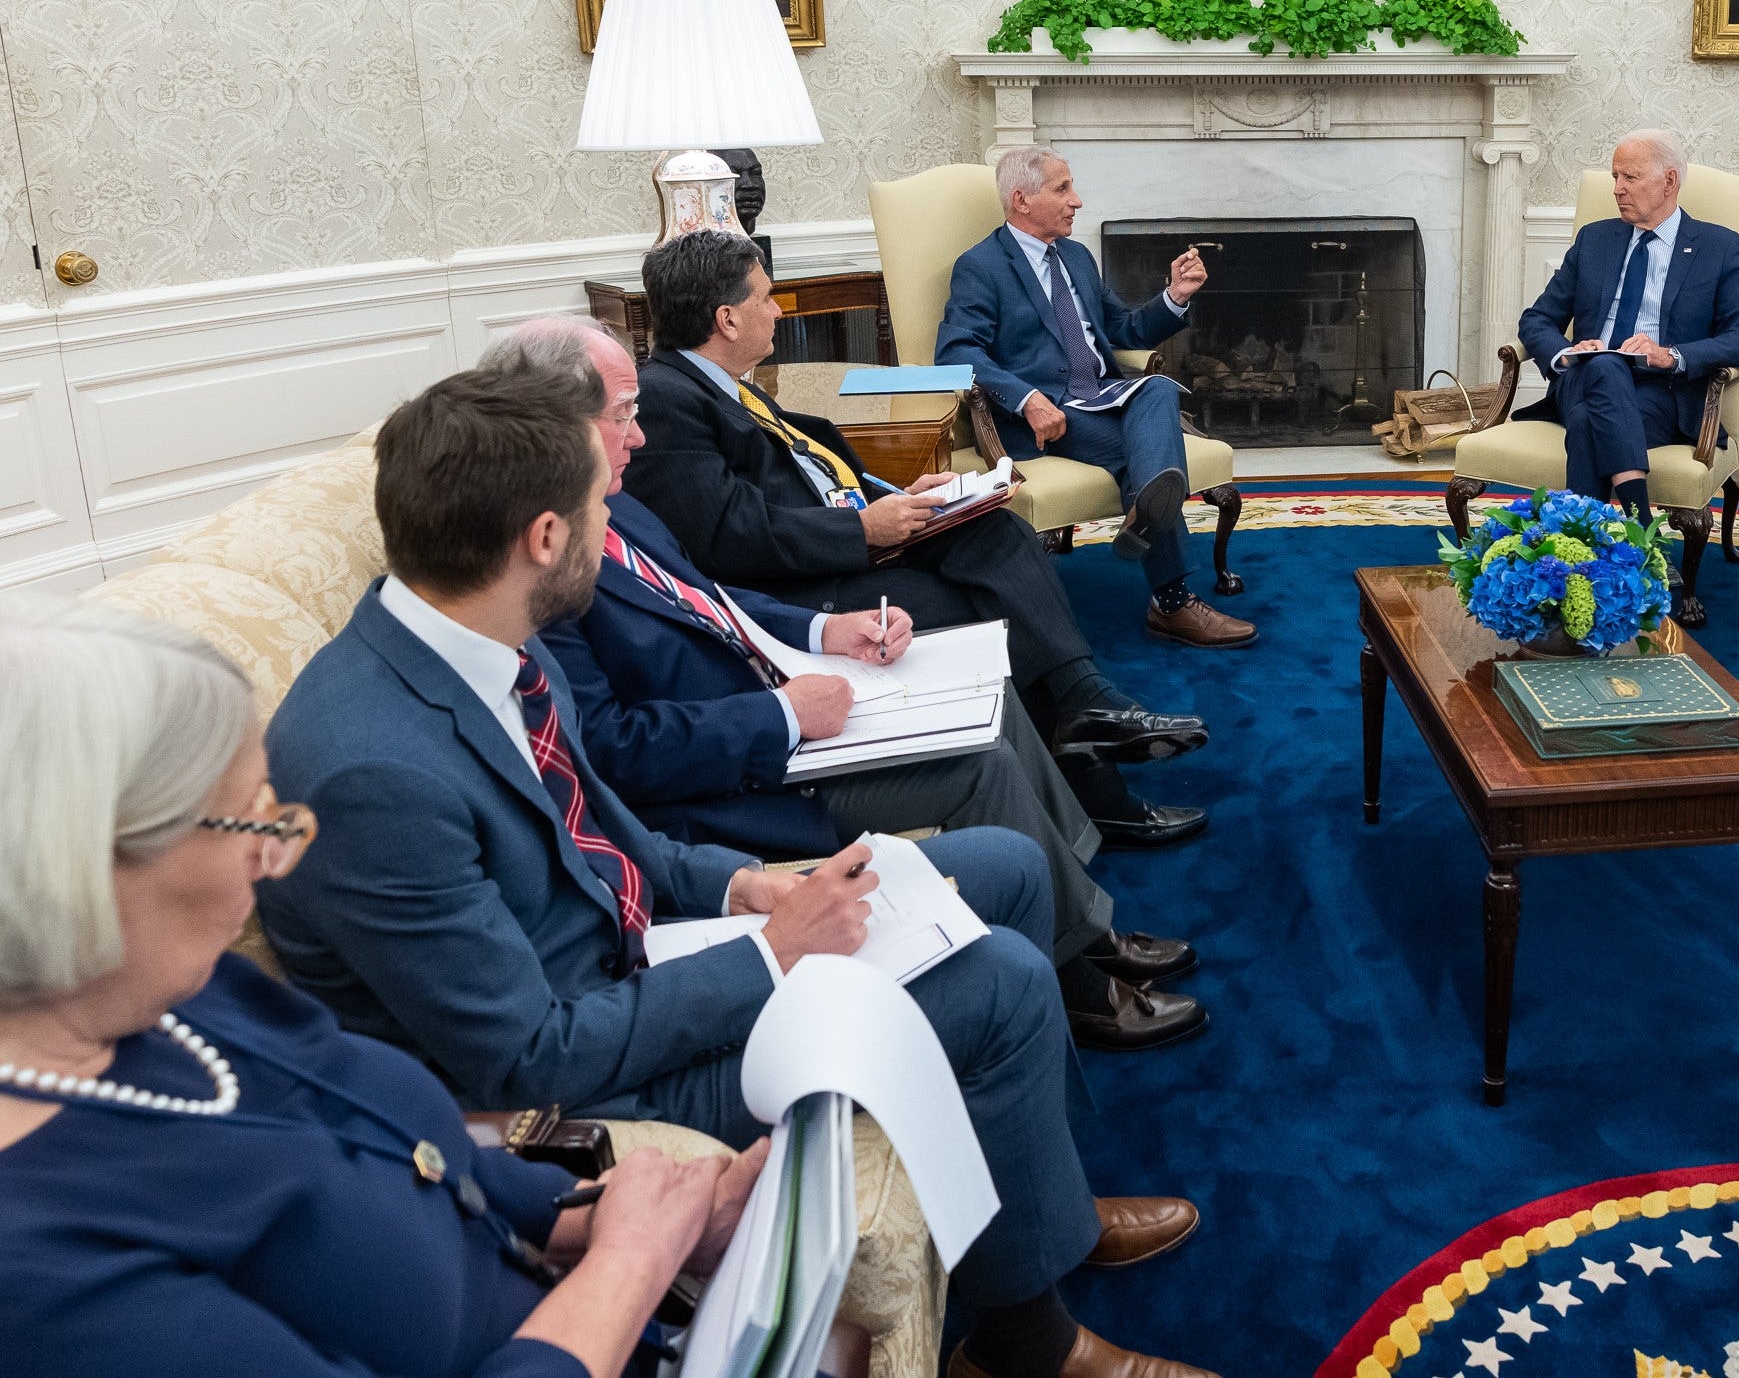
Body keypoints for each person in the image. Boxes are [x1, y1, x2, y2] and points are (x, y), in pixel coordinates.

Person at [257, 366, 1215, 1378]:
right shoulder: (372, 770)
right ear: (543, 538)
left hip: (649, 954)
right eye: (595, 507)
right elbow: (526, 1060)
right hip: (593, 1073)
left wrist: (737, 886)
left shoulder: (486, 641)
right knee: (1001, 983)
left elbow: (615, 838)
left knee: (1006, 870)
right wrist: (771, 952)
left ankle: (1041, 1196)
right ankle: (1028, 1345)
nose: (611, 517)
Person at [0, 600, 773, 1378]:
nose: (281, 854)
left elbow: (413, 1147)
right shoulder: (36, 1268)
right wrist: (633, 1263)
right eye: (248, 823)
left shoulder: (179, 994)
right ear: (83, 867)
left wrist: (604, 1218)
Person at [487, 321, 1207, 1051]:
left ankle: (1085, 926)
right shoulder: (542, 562)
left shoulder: (617, 505)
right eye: (622, 417)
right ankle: (1079, 984)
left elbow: (713, 599)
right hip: (745, 781)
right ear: (558, 424)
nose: (637, 438)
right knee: (978, 766)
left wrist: (825, 633)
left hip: (789, 697)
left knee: (992, 701)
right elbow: (608, 750)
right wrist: (779, 716)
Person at [623, 229, 1209, 848]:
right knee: (992, 611)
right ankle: (1096, 775)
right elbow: (726, 534)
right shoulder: (665, 398)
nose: (775, 308)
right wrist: (862, 526)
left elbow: (808, 481)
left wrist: (894, 496)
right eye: (766, 298)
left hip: (843, 542)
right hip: (795, 590)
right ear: (727, 318)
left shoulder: (722, 385)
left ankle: (1086, 710)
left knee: (993, 524)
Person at [935, 146, 1258, 651]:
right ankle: (1171, 603)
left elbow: (1123, 329)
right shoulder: (980, 267)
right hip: (1050, 415)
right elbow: (955, 351)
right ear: (1021, 199)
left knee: (1155, 388)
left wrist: (1175, 296)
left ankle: (1148, 516)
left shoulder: (1076, 257)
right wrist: (1026, 399)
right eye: (1062, 189)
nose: (1077, 201)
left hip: (1106, 393)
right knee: (1150, 457)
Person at [1513, 130, 1739, 519]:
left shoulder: (1717, 247)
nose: (1617, 189)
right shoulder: (1594, 240)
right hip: (1581, 377)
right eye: (1615, 177)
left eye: (1630, 178)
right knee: (1606, 365)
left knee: (1585, 421)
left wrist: (1670, 355)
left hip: (1662, 394)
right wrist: (1565, 352)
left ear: (1669, 181)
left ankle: (1585, 545)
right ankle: (1639, 528)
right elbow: (1538, 318)